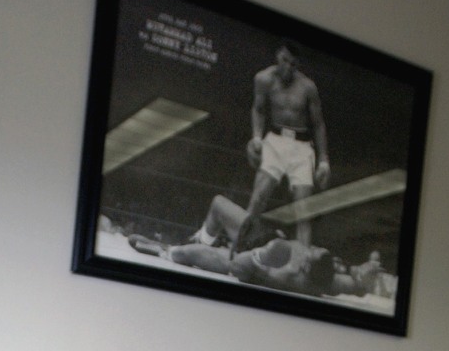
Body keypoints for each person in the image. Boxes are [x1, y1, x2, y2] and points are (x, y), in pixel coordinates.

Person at [130, 194, 338, 298]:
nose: (308, 250)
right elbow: (353, 284)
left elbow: (240, 267)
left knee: (189, 254)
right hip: (263, 236)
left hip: (251, 257)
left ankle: (166, 251)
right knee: (218, 202)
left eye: (310, 255)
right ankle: (197, 240)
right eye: (314, 249)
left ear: (306, 268)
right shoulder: (327, 273)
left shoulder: (288, 274)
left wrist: (259, 256)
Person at [240, 41, 330, 250]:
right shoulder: (263, 79)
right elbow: (258, 109)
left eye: (293, 64)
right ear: (278, 57)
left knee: (303, 209)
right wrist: (256, 136)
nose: (288, 67)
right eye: (285, 61)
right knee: (259, 196)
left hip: (301, 146)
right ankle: (238, 248)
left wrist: (324, 160)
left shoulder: (308, 87)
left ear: (298, 64)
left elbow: (318, 125)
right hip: (275, 140)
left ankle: (302, 261)